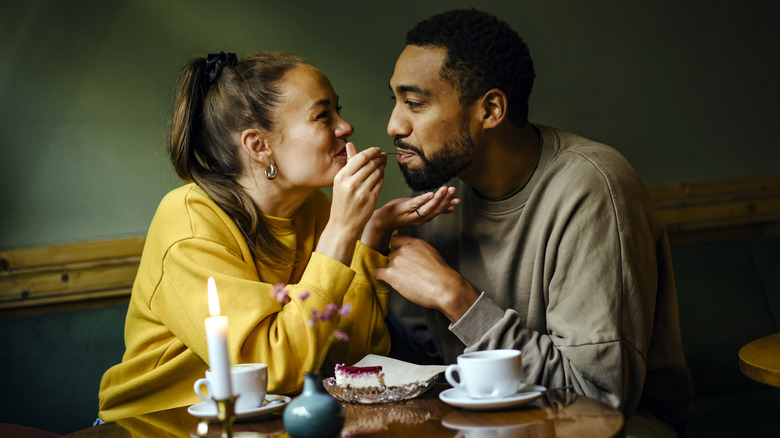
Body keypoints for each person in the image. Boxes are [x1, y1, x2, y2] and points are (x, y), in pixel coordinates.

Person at [374, 9, 694, 437]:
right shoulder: (438, 197)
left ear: (490, 109)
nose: (394, 124)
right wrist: (365, 239)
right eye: (395, 102)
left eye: (415, 103)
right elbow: (412, 368)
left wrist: (458, 299)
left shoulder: (592, 189)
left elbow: (594, 401)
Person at [98, 51, 457, 422]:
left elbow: (352, 358)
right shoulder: (190, 223)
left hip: (264, 423)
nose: (345, 126)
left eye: (338, 110)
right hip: (155, 424)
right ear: (258, 146)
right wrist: (341, 231)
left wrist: (369, 235)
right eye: (323, 116)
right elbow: (269, 371)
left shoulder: (315, 209)